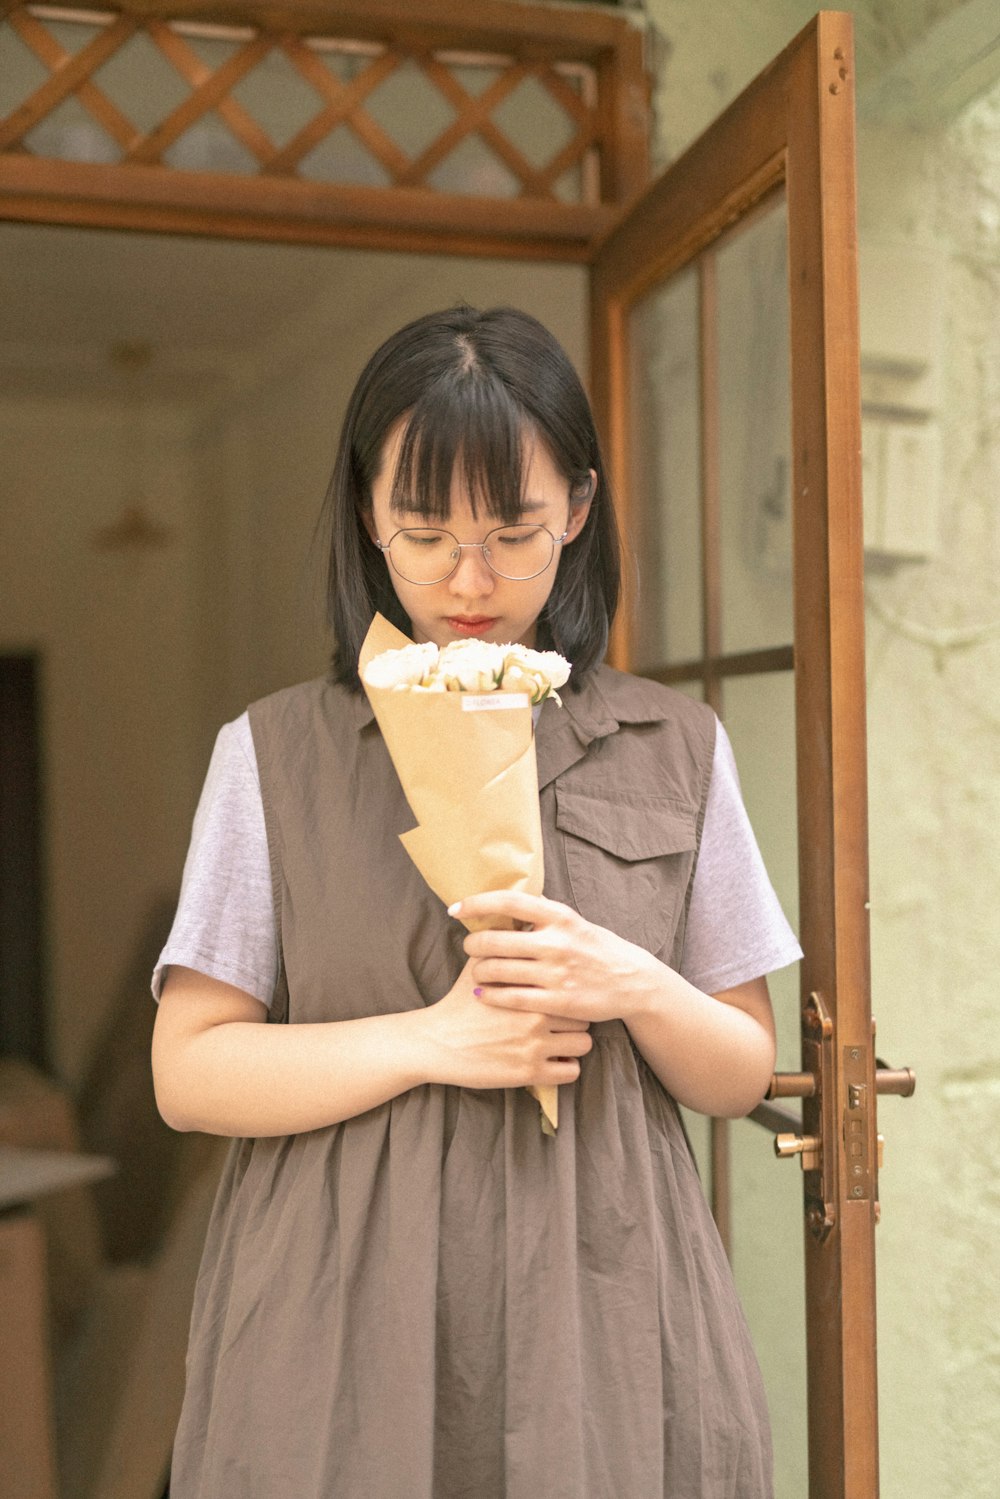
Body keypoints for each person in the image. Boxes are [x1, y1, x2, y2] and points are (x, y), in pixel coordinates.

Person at [152, 305, 801, 1499]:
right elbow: (188, 1073)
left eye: (514, 533)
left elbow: (737, 1071)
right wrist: (433, 1040)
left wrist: (630, 981)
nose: (469, 579)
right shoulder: (273, 751)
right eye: (423, 533)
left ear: (581, 511)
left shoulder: (678, 746)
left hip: (607, 1300)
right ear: (366, 513)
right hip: (339, 1299)